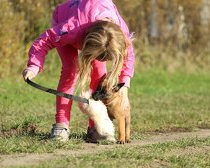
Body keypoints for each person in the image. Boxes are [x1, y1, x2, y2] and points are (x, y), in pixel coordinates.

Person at [22, 0, 135, 142]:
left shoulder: (120, 32)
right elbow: (44, 41)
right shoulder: (70, 28)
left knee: (100, 74)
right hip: (65, 18)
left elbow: (129, 55)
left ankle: (96, 127)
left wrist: (124, 85)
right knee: (71, 70)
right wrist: (34, 66)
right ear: (87, 45)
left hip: (92, 27)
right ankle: (61, 125)